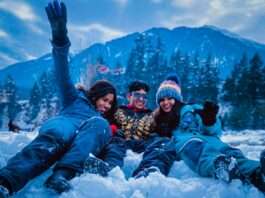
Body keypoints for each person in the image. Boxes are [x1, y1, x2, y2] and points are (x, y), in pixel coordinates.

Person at [0, 1, 118, 197]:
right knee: (54, 137)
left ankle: (61, 175)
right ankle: (5, 182)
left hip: (84, 138)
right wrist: (60, 38)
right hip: (64, 125)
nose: (106, 105)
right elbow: (62, 71)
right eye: (104, 99)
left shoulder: (101, 121)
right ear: (95, 95)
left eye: (110, 103)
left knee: (100, 125)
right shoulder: (75, 98)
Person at [132, 75, 265, 192]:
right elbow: (148, 135)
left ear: (177, 99)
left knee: (231, 152)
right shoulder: (157, 119)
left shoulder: (193, 109)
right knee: (200, 152)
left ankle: (257, 171)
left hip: (209, 139)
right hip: (187, 142)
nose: (165, 102)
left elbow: (215, 131)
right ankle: (221, 167)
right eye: (162, 99)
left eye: (170, 98)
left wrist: (210, 120)